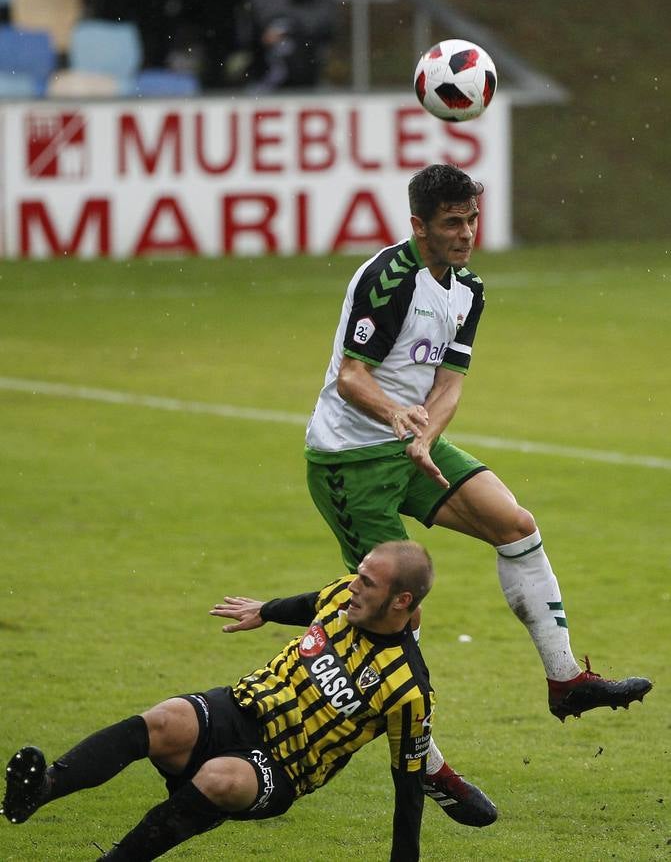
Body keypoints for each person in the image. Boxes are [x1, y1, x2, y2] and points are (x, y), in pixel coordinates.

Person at [304, 163, 652, 737]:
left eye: (472, 220)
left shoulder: (469, 290)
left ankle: (566, 680)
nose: (466, 234)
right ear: (419, 225)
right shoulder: (388, 277)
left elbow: (450, 383)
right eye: (451, 223)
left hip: (408, 444)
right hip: (350, 460)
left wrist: (423, 437)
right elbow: (352, 377)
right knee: (399, 611)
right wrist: (397, 417)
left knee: (515, 524)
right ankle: (425, 761)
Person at [1, 541, 494, 861]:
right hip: (241, 707)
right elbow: (312, 602)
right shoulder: (345, 596)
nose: (353, 588)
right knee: (164, 720)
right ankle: (39, 790)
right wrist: (266, 610)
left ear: (402, 602)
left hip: (283, 766)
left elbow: (408, 793)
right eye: (358, 575)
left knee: (218, 779)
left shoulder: (408, 691)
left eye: (368, 583)